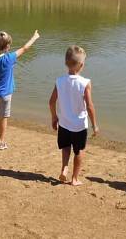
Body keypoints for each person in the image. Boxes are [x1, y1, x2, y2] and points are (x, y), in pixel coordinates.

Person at [0, 30, 40, 150]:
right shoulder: (9, 58)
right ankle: (1, 142)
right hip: (6, 94)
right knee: (3, 118)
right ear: (7, 47)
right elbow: (25, 48)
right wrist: (34, 37)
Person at [49, 46, 99, 186]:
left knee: (65, 147)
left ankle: (64, 169)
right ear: (82, 65)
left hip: (64, 123)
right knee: (78, 151)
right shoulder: (85, 82)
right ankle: (75, 179)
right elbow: (89, 106)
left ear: (66, 63)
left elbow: (51, 102)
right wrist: (95, 125)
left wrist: (54, 117)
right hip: (79, 126)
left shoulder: (59, 81)